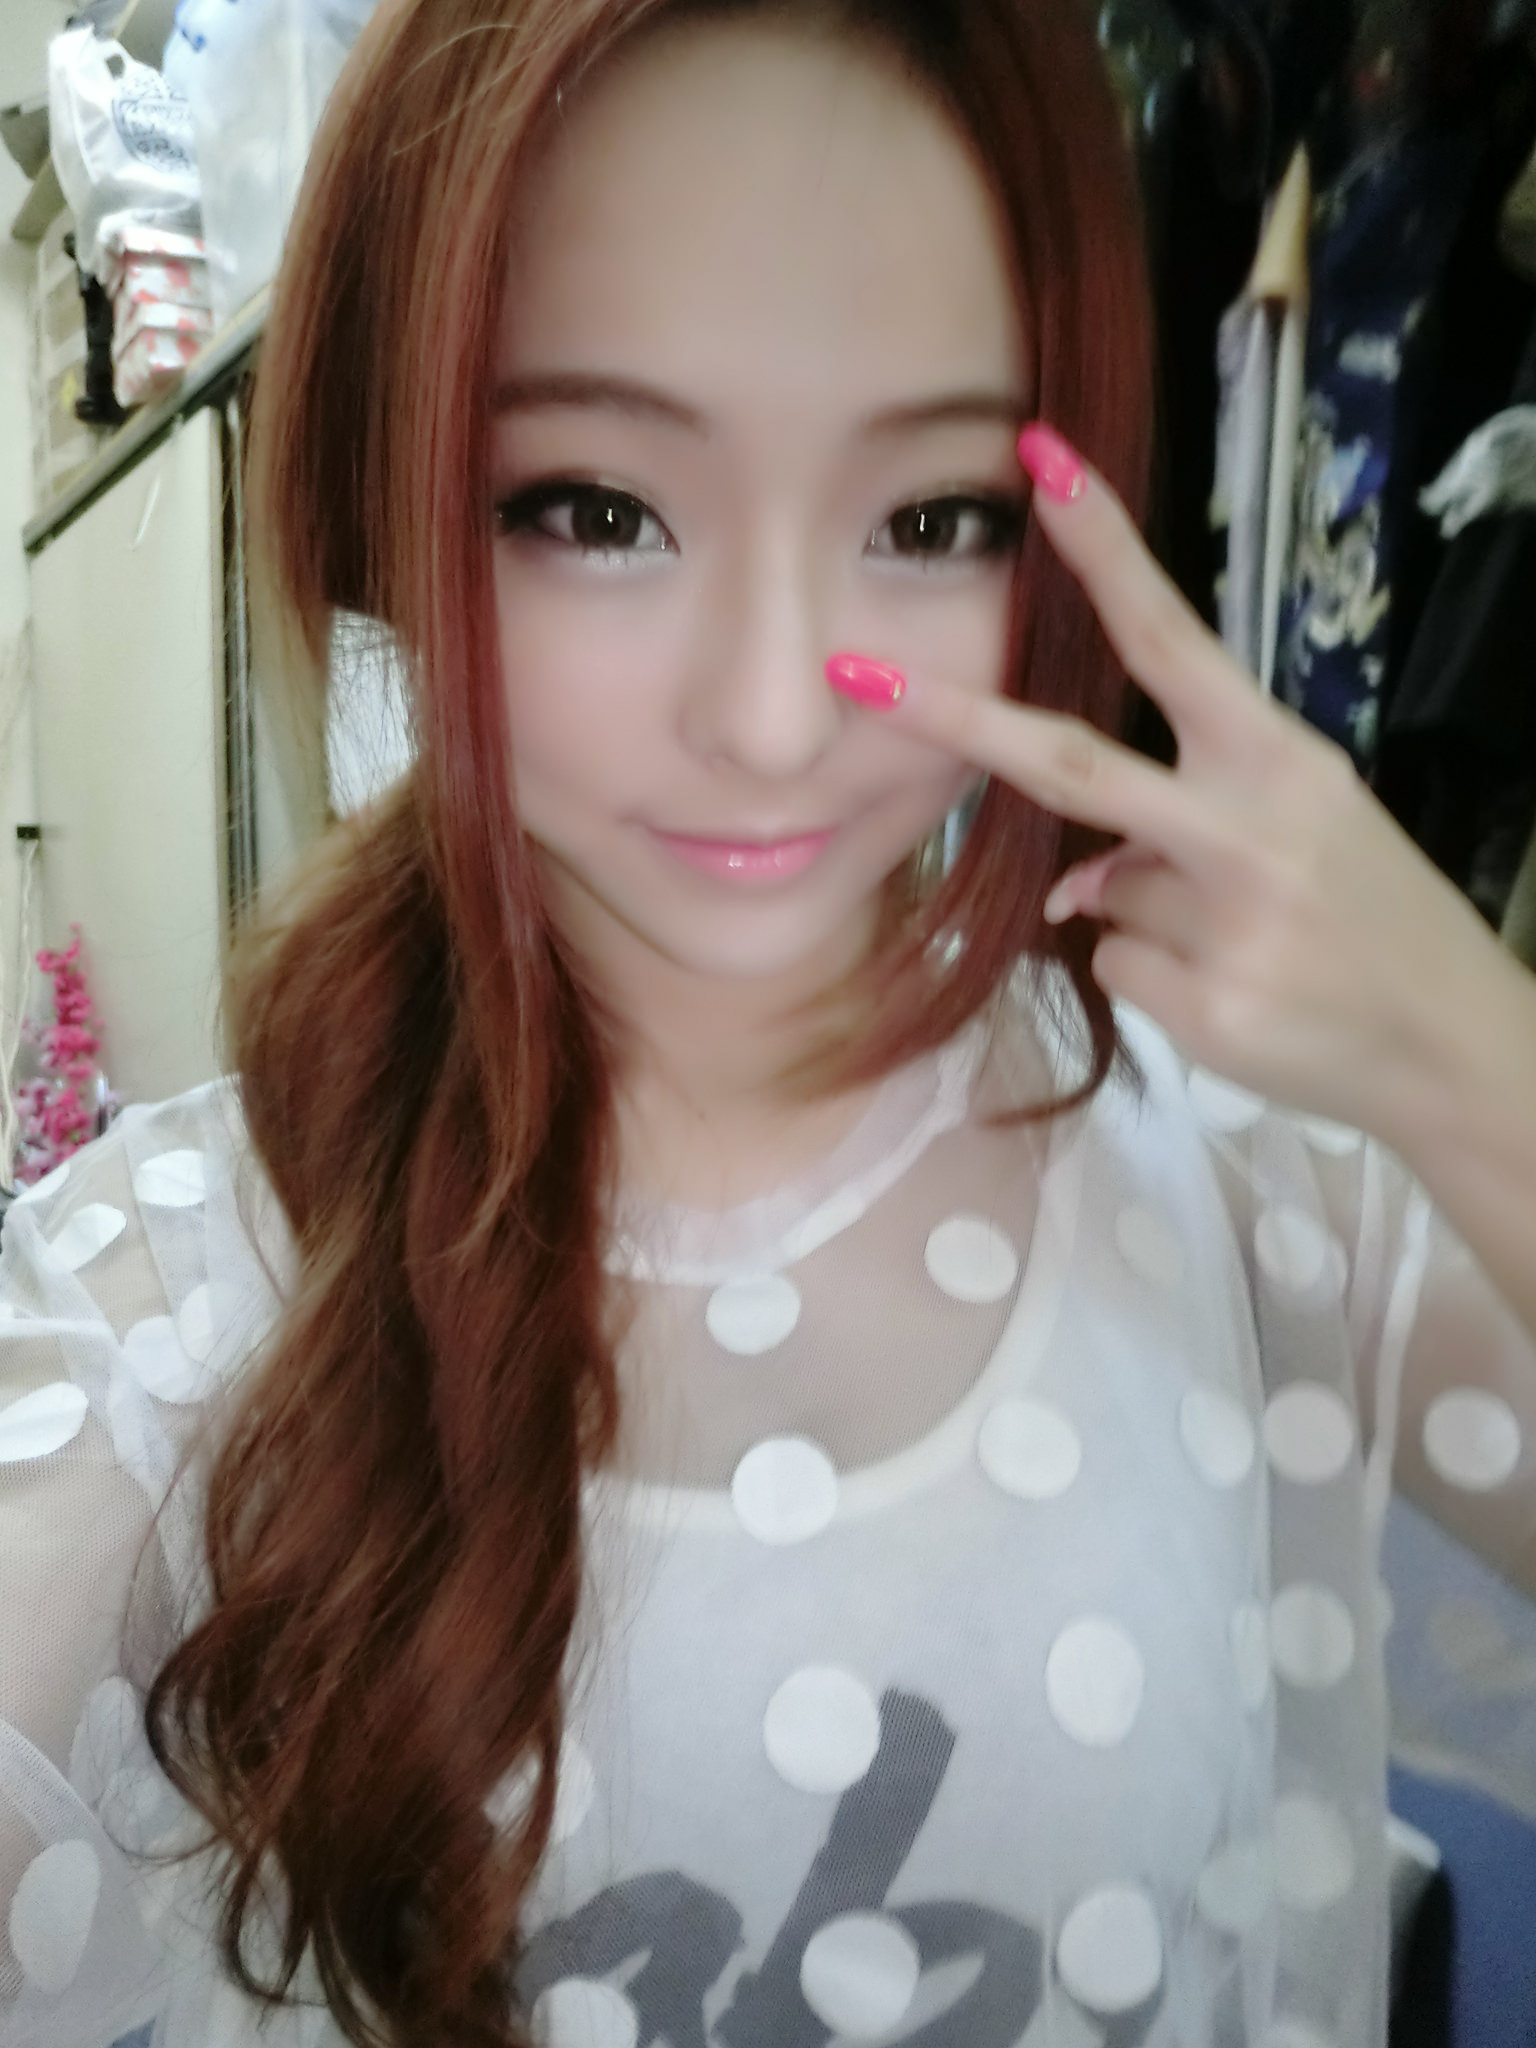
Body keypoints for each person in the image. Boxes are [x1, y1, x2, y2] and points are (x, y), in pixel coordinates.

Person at [3, 1, 1536, 2044]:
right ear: (392, 504)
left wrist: (1463, 1033)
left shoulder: (1249, 1178)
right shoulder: (174, 1319)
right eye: (598, 509)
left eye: (929, 517)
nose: (772, 716)